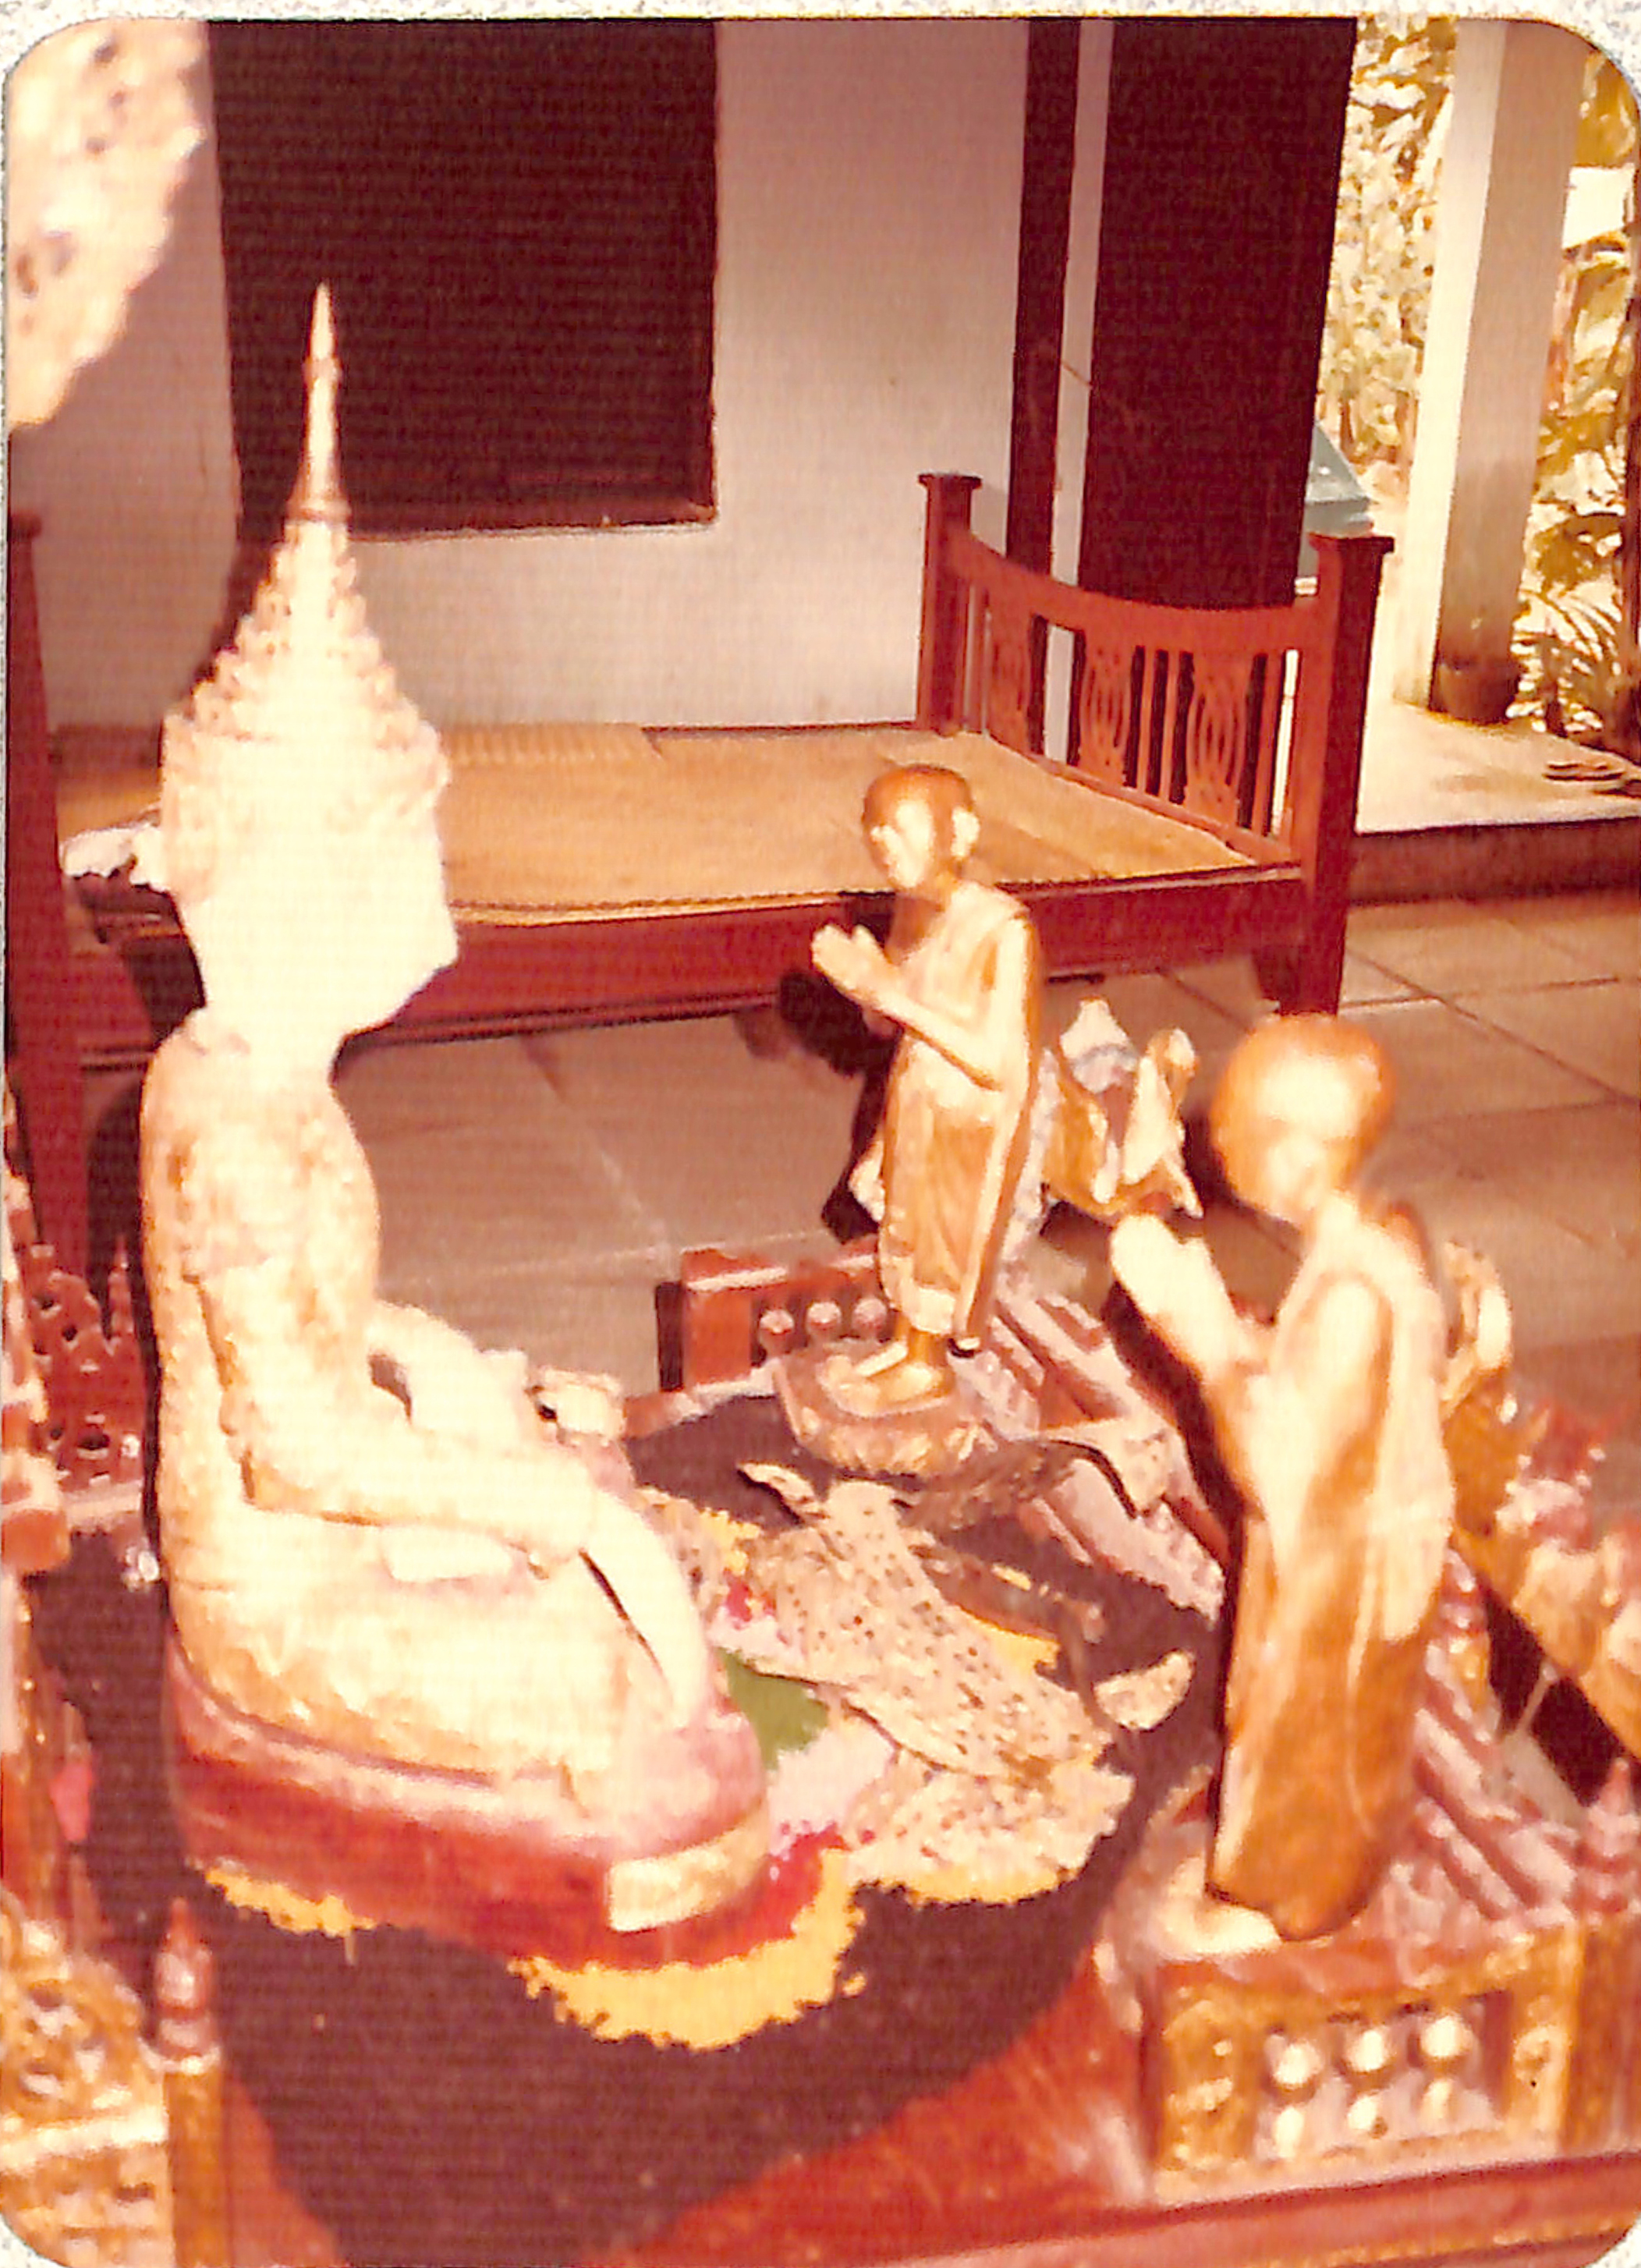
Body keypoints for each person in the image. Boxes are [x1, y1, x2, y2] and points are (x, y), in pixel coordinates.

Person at [142, 293, 761, 1899]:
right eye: (400, 869)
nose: (430, 919)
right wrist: (516, 1500)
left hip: (340, 1491)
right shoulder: (234, 1137)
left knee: (583, 1481)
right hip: (278, 1581)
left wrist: (426, 1359)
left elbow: (315, 1338)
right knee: (582, 1660)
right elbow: (289, 1455)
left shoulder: (249, 1067)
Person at [1110, 1017, 1453, 1939]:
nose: (1219, 1155)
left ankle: (1275, 1900)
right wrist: (1251, 1339)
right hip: (1344, 1541)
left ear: (1299, 1151)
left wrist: (1205, 1339)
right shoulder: (1374, 1233)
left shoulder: (1351, 1299)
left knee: (1295, 1720)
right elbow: (1325, 1401)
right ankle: (1279, 1880)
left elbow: (1274, 1465)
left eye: (1235, 1139)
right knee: (1277, 1709)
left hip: (1336, 1572)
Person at [810, 765, 1040, 1412]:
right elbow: (886, 1025)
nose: (885, 844)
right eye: (875, 832)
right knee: (906, 1229)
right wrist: (866, 985)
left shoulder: (1005, 931)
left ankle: (928, 1365)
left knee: (942, 1240)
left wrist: (887, 993)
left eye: (901, 829)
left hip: (966, 1118)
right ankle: (910, 1346)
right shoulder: (912, 913)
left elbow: (997, 1060)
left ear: (960, 833)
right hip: (915, 1100)